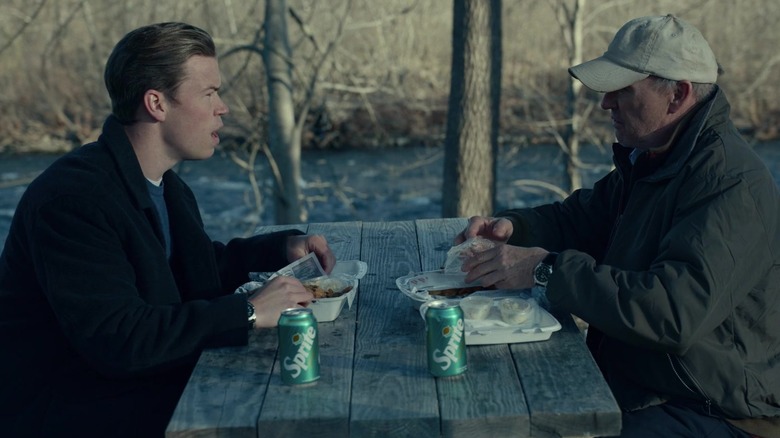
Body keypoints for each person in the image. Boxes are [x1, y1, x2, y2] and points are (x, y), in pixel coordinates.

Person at [0, 22, 336, 437]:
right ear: (157, 104)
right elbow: (119, 339)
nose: (223, 107)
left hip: (140, 391)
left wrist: (279, 250)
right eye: (209, 93)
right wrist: (248, 312)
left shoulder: (163, 183)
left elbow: (189, 268)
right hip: (74, 413)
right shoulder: (72, 202)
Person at [456, 14, 780, 438]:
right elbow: (580, 219)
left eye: (622, 90)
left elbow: (672, 314)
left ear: (678, 94)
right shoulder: (654, 157)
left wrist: (544, 268)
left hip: (716, 409)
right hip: (646, 384)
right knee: (491, 398)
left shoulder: (729, 183)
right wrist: (512, 229)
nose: (605, 103)